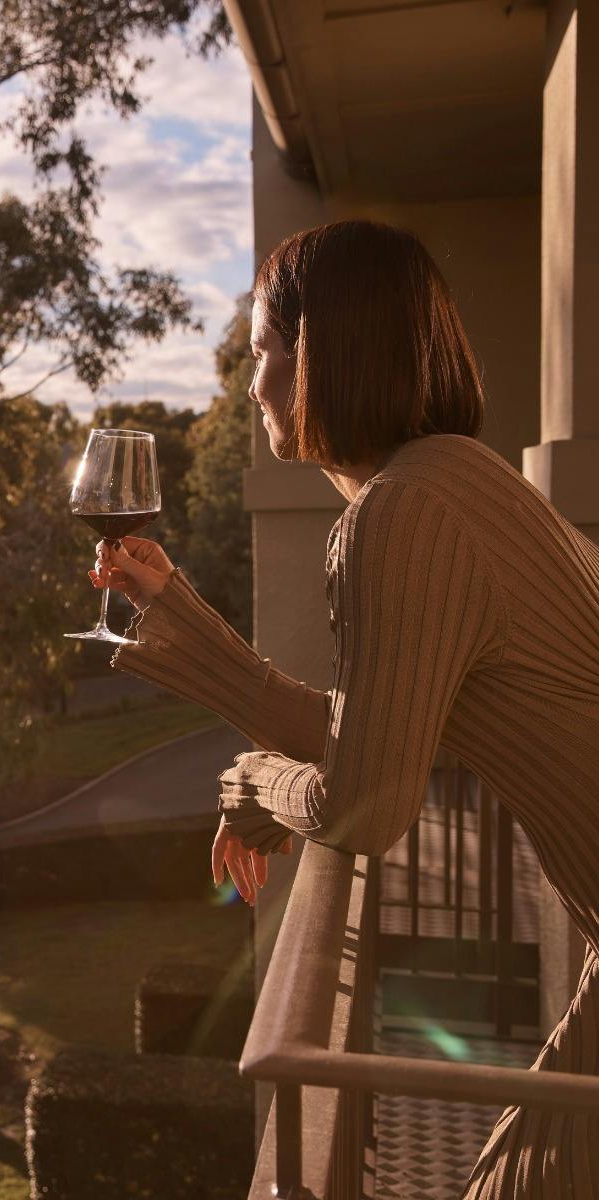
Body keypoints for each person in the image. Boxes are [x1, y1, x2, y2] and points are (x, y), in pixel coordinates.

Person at [89, 217, 599, 1199]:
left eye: (267, 352)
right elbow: (370, 730)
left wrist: (253, 781)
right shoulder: (452, 480)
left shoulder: (399, 515)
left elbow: (365, 803)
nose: (252, 382)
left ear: (325, 351)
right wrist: (175, 613)